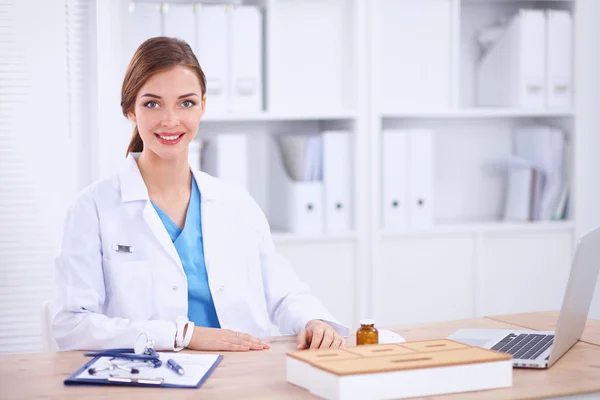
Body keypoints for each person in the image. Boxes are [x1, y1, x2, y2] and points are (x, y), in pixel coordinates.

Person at [52, 37, 349, 352]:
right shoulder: (93, 208)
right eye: (152, 103)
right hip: (150, 378)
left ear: (203, 106)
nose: (170, 119)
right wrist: (182, 335)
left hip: (243, 372)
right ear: (130, 110)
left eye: (186, 103)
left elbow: (284, 293)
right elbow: (72, 325)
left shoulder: (236, 203)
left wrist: (313, 321)